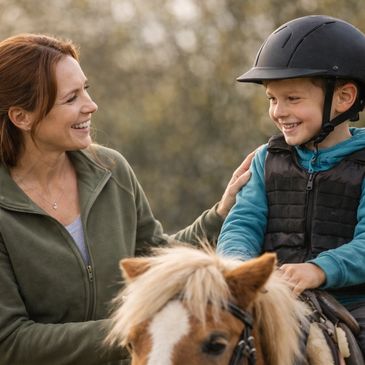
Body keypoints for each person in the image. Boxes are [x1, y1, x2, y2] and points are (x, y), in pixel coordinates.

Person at [0, 33, 253, 365]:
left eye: (86, 89)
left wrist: (220, 213)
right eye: (71, 98)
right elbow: (11, 341)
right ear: (22, 117)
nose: (91, 105)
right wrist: (139, 329)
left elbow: (156, 259)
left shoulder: (110, 169)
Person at [217, 15, 365, 357]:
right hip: (275, 299)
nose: (278, 111)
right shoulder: (267, 160)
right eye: (272, 99)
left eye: (292, 99)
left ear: (343, 98)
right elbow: (242, 224)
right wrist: (239, 270)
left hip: (354, 305)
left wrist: (318, 269)